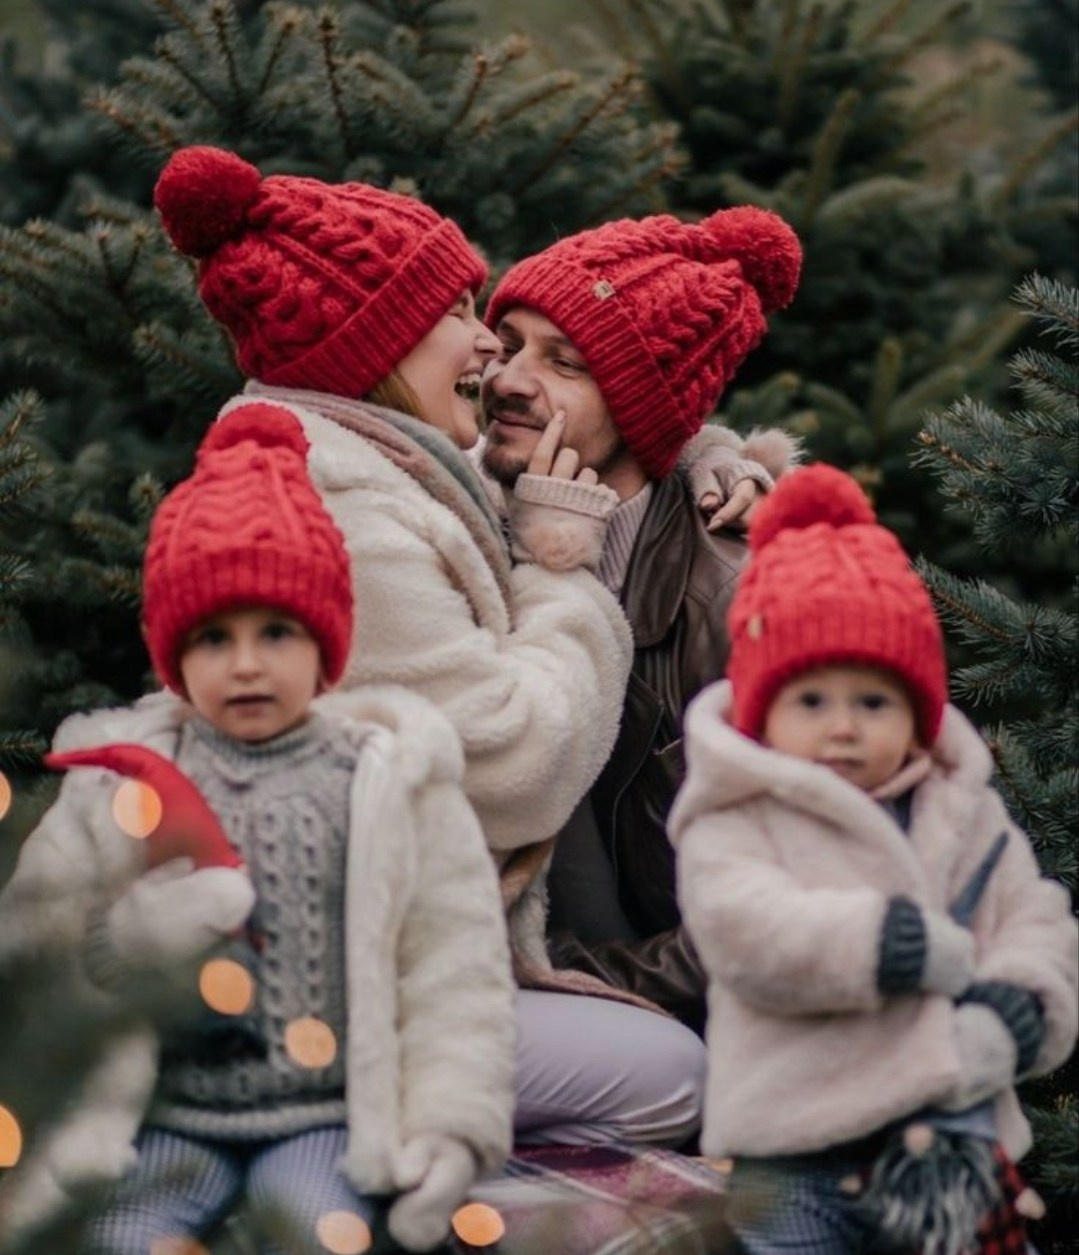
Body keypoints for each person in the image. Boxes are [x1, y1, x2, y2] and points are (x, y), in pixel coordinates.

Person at [150, 146, 774, 1149]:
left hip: (455, 950)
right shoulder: (368, 505)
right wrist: (562, 562)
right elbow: (513, 764)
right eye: (468, 321)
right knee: (668, 1079)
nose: (496, 360)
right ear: (382, 347)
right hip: (351, 976)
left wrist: (704, 445)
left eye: (561, 360)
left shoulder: (426, 471)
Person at [0, 405, 516, 1254]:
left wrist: (451, 1126)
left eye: (275, 632)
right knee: (118, 1240)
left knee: (324, 1234)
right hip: (160, 1120)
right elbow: (34, 947)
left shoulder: (385, 780)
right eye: (213, 637)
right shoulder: (115, 780)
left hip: (327, 1119)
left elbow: (452, 971)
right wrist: (121, 942)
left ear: (326, 644)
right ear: (172, 653)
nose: (245, 663)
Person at [668, 463, 1079, 1254]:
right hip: (793, 1144)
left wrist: (1018, 1003)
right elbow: (741, 924)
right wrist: (886, 943)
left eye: (873, 701)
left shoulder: (961, 805)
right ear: (763, 709)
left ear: (917, 710)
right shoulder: (739, 809)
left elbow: (1032, 913)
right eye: (812, 701)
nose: (843, 728)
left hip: (946, 1136)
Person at [479, 204, 804, 1036]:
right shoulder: (452, 520)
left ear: (641, 408)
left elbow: (781, 915)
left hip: (656, 1022)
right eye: (508, 343)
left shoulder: (731, 606)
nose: (508, 377)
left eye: (565, 361)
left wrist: (564, 978)